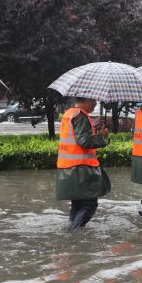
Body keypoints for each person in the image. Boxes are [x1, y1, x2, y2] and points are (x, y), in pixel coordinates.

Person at [56, 98, 111, 231]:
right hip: (80, 168)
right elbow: (84, 141)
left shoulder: (70, 113)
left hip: (68, 167)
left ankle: (71, 229)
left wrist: (95, 133)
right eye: (94, 101)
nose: (95, 104)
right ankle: (74, 233)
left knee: (77, 204)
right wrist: (101, 136)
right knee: (89, 204)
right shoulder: (80, 116)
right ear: (86, 99)